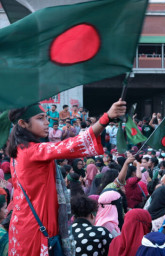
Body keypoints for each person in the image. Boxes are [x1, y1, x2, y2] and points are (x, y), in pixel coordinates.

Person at [6, 99, 126, 256]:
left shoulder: (17, 153)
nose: (46, 123)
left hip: (23, 227)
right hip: (36, 232)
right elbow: (73, 144)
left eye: (46, 118)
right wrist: (106, 118)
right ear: (23, 123)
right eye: (40, 118)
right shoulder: (31, 152)